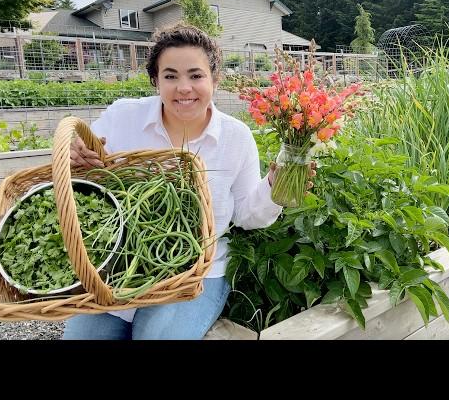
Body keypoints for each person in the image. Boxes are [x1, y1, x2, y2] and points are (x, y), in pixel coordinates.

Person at [63, 24, 315, 340]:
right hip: (121, 264)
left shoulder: (235, 137)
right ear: (155, 80)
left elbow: (246, 216)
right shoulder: (123, 117)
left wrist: (274, 190)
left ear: (214, 79)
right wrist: (79, 162)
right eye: (170, 76)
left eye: (196, 76)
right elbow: (91, 178)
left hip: (198, 272)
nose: (184, 88)